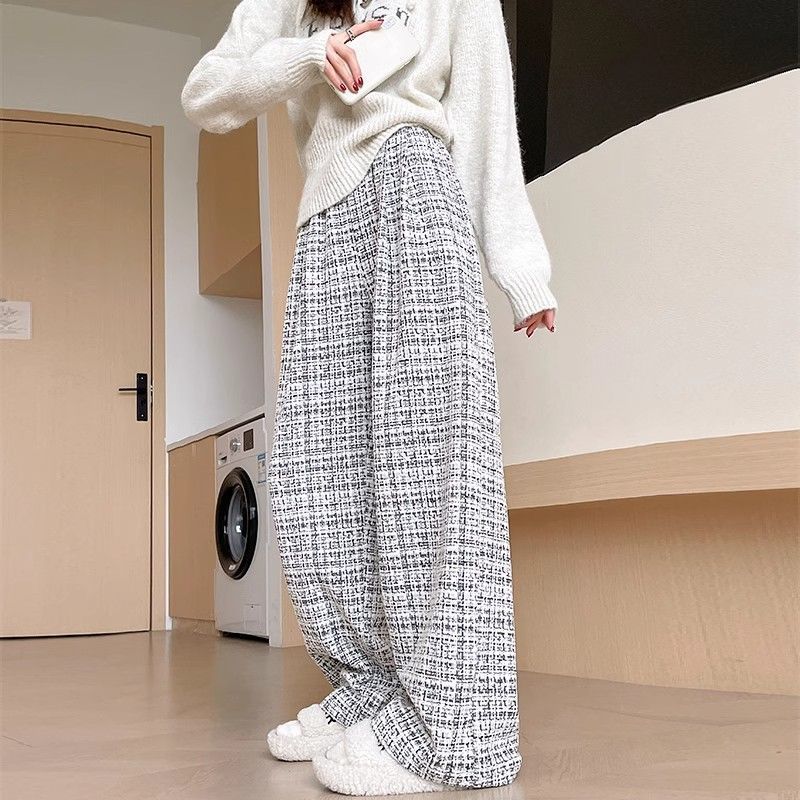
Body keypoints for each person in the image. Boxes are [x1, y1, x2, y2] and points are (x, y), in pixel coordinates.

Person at [181, 0, 558, 795]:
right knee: (321, 481)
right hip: (325, 220)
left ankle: (455, 728)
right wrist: (309, 57)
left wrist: (522, 270)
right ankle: (372, 689)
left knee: (427, 474)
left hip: (418, 195)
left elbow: (486, 122)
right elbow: (207, 93)